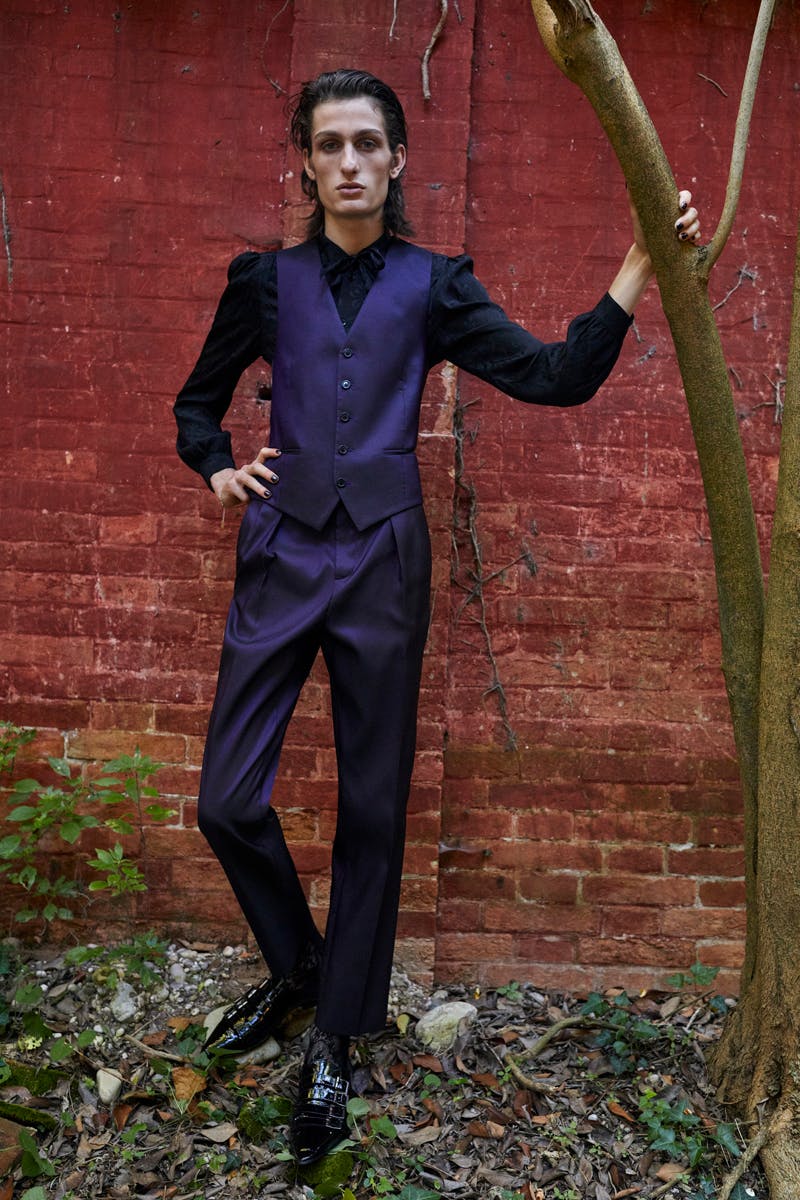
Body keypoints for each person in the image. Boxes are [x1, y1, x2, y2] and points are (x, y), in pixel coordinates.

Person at [173, 67, 701, 1165]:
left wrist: (639, 262)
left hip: (382, 560)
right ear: (306, 161)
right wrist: (218, 464)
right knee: (225, 800)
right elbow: (195, 403)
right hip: (279, 555)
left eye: (367, 143)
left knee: (372, 807)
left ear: (397, 159)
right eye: (329, 144)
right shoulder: (264, 283)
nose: (349, 162)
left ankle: (334, 1036)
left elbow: (555, 377)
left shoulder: (434, 285)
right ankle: (301, 964)